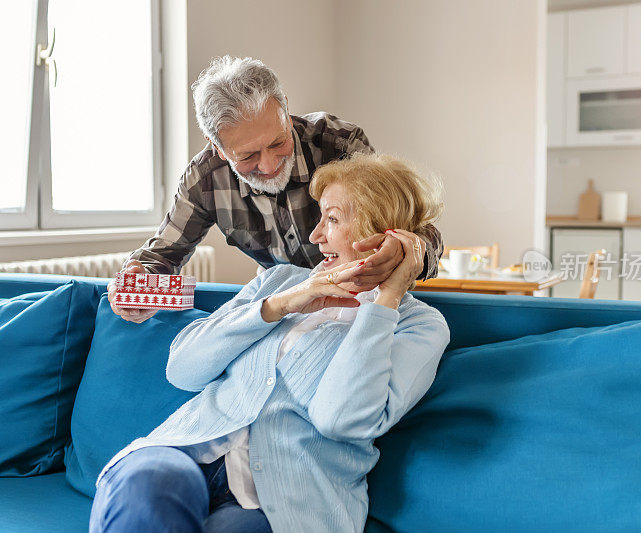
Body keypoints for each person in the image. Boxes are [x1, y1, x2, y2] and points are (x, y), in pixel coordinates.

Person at [89, 152, 451, 532]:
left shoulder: (418, 325)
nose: (315, 236)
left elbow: (341, 419)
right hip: (191, 449)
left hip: (289, 498)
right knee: (147, 489)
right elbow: (182, 368)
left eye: (332, 218)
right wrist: (278, 305)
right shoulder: (278, 280)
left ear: (380, 232)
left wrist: (386, 299)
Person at [108, 55, 443, 323]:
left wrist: (405, 251)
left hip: (366, 307)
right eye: (248, 155)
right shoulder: (205, 178)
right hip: (286, 313)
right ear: (217, 146)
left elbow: (424, 235)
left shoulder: (338, 143)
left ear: (285, 105)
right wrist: (134, 282)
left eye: (279, 142)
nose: (268, 166)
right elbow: (160, 257)